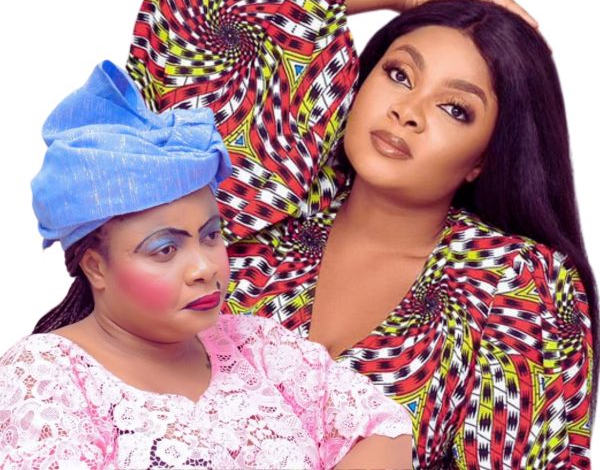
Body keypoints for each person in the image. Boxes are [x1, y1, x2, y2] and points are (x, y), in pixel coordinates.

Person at [124, 0, 596, 468]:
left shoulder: (512, 282)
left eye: (455, 109)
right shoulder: (266, 205)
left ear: (484, 158)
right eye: (399, 75)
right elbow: (200, 1)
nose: (408, 111)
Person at [0, 61, 412, 469]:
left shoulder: (256, 346)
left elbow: (383, 428)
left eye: (211, 235)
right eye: (165, 249)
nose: (204, 268)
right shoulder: (46, 376)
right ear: (96, 268)